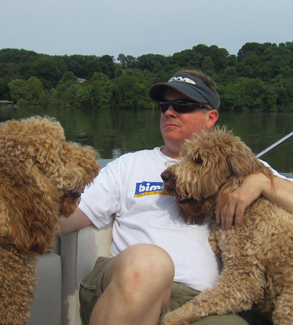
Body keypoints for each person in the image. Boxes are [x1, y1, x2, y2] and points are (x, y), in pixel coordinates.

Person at [58, 70, 293, 325]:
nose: (169, 112)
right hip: (129, 288)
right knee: (150, 264)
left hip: (208, 305)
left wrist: (262, 182)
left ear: (210, 117)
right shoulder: (128, 165)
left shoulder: (241, 165)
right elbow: (63, 219)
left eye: (182, 105)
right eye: (164, 106)